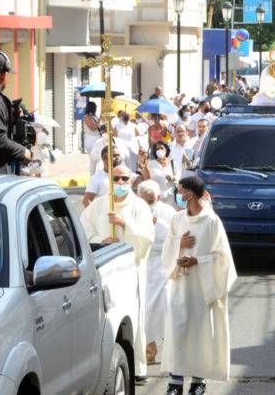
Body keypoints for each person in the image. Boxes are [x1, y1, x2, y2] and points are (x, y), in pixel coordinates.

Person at [161, 176, 237, 395]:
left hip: (203, 287)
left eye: (180, 191)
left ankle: (198, 381)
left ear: (190, 194)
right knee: (177, 330)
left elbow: (223, 258)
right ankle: (175, 382)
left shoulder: (212, 221)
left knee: (200, 333)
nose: (177, 195)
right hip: (180, 284)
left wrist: (198, 261)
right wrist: (179, 244)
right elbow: (168, 247)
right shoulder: (177, 219)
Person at [80, 165, 154, 384]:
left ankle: (137, 367)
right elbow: (84, 231)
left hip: (131, 269)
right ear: (109, 181)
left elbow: (146, 238)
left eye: (124, 178)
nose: (121, 182)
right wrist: (103, 241)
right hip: (105, 269)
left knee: (132, 316)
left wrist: (124, 225)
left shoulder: (140, 206)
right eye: (116, 178)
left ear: (131, 181)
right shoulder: (98, 205)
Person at [138, 180, 177, 365]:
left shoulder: (167, 212)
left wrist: (157, 223)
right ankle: (148, 351)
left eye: (151, 200)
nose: (147, 204)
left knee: (165, 307)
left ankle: (170, 350)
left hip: (162, 264)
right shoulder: (135, 209)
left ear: (158, 197)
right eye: (144, 200)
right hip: (142, 263)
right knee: (145, 310)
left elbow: (175, 235)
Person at [141, 141, 176, 206]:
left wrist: (173, 178)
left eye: (162, 148)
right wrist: (145, 166)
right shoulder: (151, 164)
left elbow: (178, 177)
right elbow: (147, 179)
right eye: (157, 149)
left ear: (166, 150)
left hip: (170, 197)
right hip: (156, 198)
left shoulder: (173, 163)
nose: (159, 150)